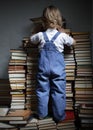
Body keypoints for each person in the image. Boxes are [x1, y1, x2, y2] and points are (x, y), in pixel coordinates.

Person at [30, 5, 76, 123]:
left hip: (43, 68)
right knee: (59, 92)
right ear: (59, 20)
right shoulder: (62, 36)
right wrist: (63, 31)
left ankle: (41, 114)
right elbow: (73, 42)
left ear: (43, 21)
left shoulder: (40, 35)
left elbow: (31, 40)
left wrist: (36, 31)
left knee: (42, 91)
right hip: (58, 70)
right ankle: (59, 116)